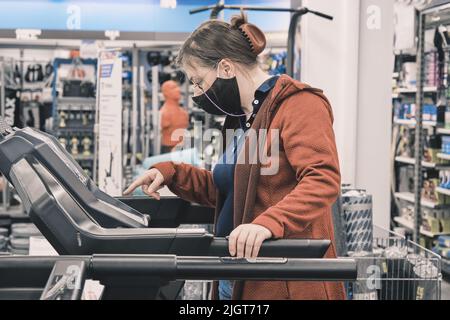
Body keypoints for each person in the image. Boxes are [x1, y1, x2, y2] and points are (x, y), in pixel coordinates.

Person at [125, 13, 345, 300]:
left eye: (198, 81)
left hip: (281, 279)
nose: (195, 92)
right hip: (236, 272)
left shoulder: (300, 105)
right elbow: (232, 191)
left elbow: (322, 180)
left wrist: (268, 223)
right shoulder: (242, 119)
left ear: (226, 68)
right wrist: (171, 173)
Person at [160, 80, 189, 154]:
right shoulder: (164, 113)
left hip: (183, 150)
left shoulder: (184, 113)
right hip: (168, 150)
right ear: (165, 93)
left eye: (177, 87)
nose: (178, 90)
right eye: (173, 88)